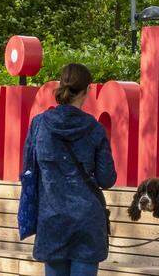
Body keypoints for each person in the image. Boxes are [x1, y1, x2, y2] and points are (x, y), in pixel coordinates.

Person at [18, 63, 116, 276]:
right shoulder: (95, 129)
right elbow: (106, 179)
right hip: (87, 222)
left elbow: (28, 171)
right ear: (86, 91)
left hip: (51, 220)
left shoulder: (39, 125)